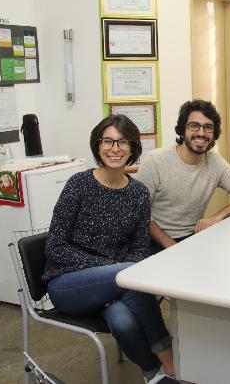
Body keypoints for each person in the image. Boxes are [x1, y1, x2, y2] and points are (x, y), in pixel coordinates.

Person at [42, 114, 177, 382]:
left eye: (122, 142)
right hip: (68, 284)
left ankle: (155, 375)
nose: (115, 149)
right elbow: (55, 246)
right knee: (128, 275)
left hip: (115, 284)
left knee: (123, 321)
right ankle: (172, 366)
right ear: (97, 146)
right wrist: (110, 269)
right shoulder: (79, 185)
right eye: (108, 141)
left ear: (133, 148)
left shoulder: (138, 193)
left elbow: (140, 248)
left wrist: (115, 275)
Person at [137, 99, 230, 253]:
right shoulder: (155, 160)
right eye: (194, 126)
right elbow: (139, 212)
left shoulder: (215, 162)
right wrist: (171, 246)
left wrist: (216, 217)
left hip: (193, 238)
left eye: (208, 127)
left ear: (214, 134)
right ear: (182, 129)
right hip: (153, 242)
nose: (201, 133)